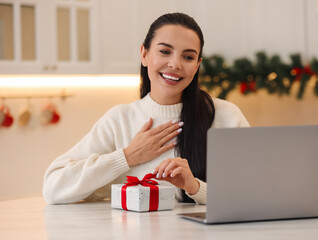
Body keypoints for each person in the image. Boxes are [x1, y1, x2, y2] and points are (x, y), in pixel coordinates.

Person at [43, 12, 249, 205]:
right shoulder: (119, 119)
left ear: (197, 66)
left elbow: (251, 192)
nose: (175, 64)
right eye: (165, 51)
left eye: (188, 57)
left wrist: (194, 187)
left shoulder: (226, 116)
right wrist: (127, 156)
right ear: (144, 54)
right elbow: (53, 187)